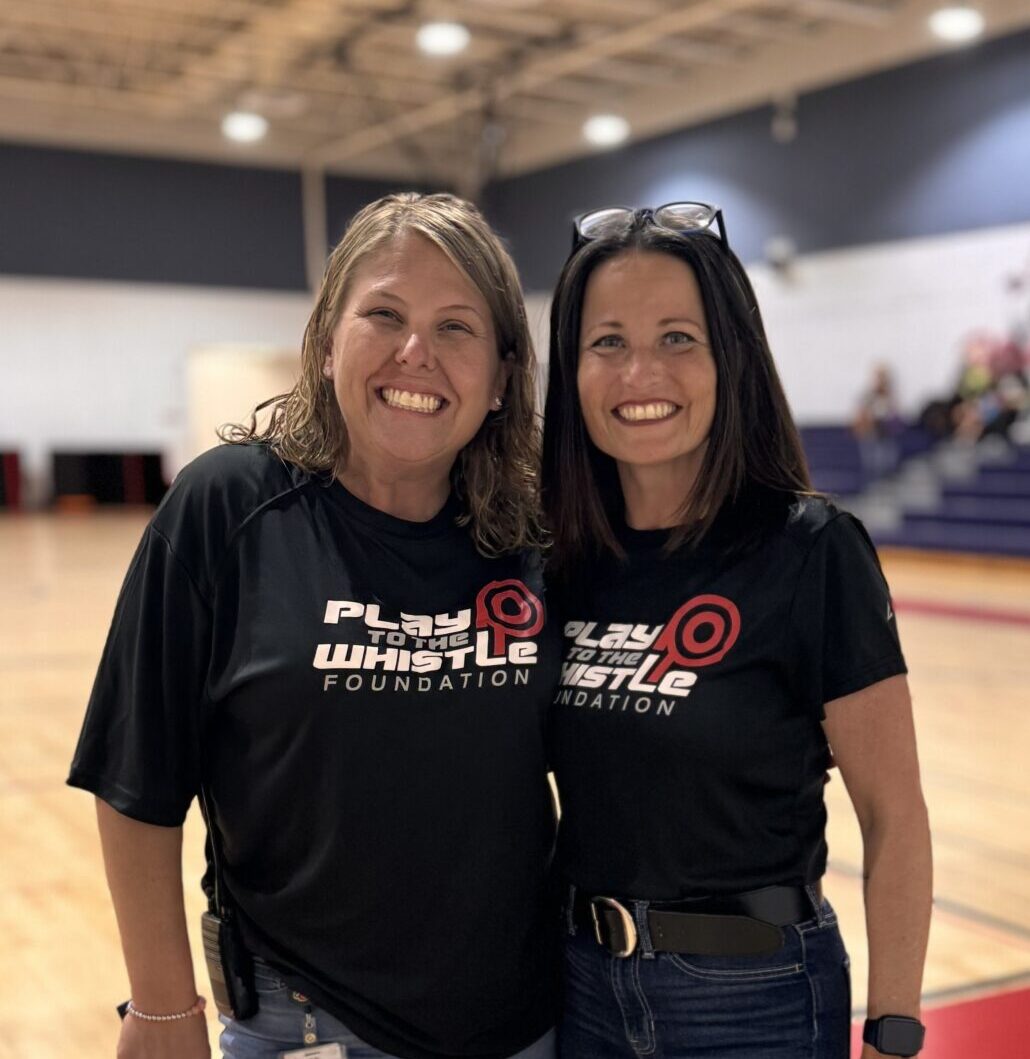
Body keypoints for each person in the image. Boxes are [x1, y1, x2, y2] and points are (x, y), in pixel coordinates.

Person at [68, 192, 562, 1059]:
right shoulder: (228, 508)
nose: (417, 352)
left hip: (526, 1026)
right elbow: (135, 779)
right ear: (328, 338)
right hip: (305, 1025)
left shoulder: (532, 535)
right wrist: (161, 1006)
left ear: (499, 378)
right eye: (385, 313)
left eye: (457, 327)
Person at [540, 203, 932, 1058]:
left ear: (731, 357)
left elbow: (893, 811)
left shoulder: (812, 551)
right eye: (607, 341)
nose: (640, 371)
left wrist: (895, 1029)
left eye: (678, 337)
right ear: (570, 368)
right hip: (582, 988)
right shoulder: (560, 563)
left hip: (752, 1000)